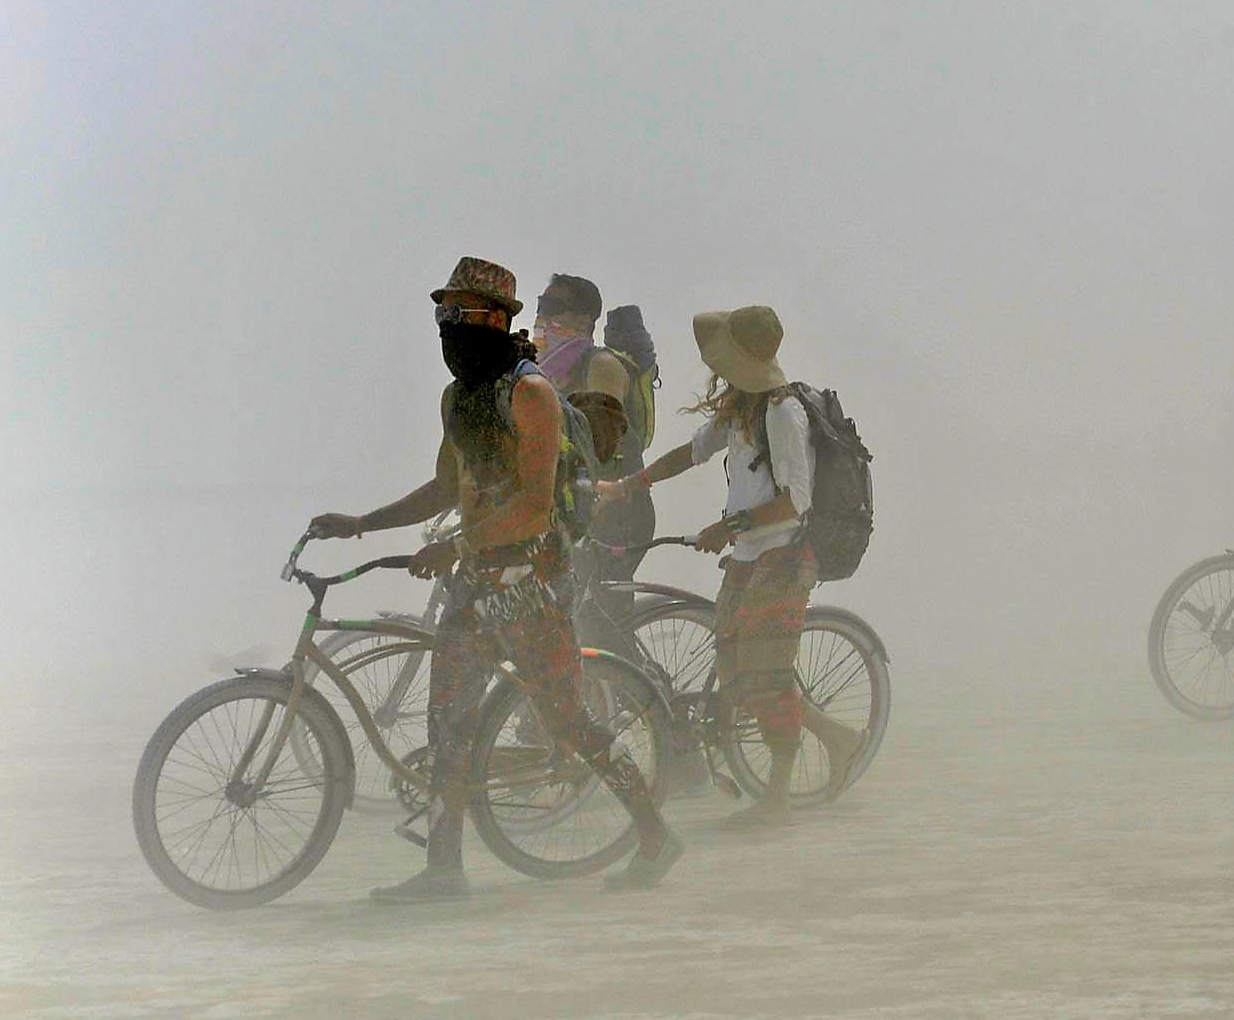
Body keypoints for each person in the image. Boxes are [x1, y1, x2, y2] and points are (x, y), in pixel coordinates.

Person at [311, 257, 682, 900]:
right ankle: (443, 869)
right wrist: (363, 524)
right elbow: (447, 486)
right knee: (447, 723)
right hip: (476, 585)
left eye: (464, 315)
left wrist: (455, 542)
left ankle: (654, 832)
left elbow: (533, 509)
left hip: (531, 587)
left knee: (569, 722)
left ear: (499, 322)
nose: (451, 327)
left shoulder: (529, 396)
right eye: (444, 315)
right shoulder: (459, 398)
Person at [601, 305, 863, 826]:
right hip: (747, 558)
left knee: (765, 679)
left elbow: (796, 502)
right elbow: (691, 452)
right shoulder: (741, 408)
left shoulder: (782, 414)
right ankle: (839, 737)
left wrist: (728, 528)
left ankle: (778, 800)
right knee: (736, 675)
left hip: (783, 557)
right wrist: (631, 486)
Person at [533, 274, 657, 584]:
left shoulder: (601, 366)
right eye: (541, 305)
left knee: (600, 618)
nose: (542, 316)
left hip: (618, 508)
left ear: (584, 318)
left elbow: (604, 444)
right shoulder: (549, 373)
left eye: (554, 307)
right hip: (578, 505)